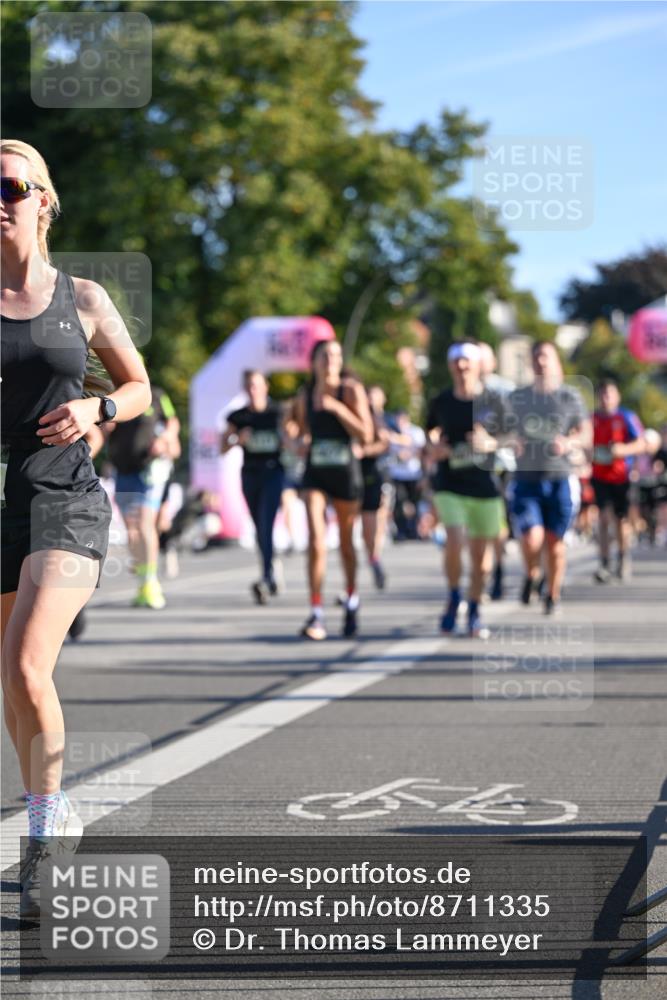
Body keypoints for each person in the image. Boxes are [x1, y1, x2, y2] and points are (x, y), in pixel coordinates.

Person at [0, 140, 151, 918]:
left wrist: (99, 407)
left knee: (28, 662)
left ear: (44, 200)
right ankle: (47, 808)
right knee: (13, 677)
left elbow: (140, 388)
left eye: (10, 185)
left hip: (65, 494)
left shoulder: (83, 296)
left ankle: (44, 831)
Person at [293, 339, 373, 640]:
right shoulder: (306, 395)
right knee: (315, 539)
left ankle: (351, 599)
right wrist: (296, 442)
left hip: (344, 473)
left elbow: (366, 434)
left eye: (336, 355)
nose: (331, 361)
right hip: (315, 473)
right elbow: (298, 432)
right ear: (314, 362)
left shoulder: (350, 390)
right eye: (325, 355)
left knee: (345, 543)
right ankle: (316, 612)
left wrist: (337, 408)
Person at [426, 340, 507, 637]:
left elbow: (514, 438)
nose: (461, 369)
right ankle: (452, 597)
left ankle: (474, 608)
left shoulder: (494, 401)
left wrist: (491, 443)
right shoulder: (442, 400)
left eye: (466, 363)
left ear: (477, 366)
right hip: (450, 484)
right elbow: (430, 431)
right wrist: (434, 446)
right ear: (450, 367)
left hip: (484, 486)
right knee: (455, 540)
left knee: (482, 562)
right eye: (456, 363)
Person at [506, 341, 591, 615]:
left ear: (557, 362)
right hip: (526, 478)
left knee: (555, 544)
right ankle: (532, 574)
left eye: (546, 357)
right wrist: (510, 440)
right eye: (536, 358)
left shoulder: (570, 397)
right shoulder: (518, 398)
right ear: (531, 364)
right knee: (531, 539)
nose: (541, 362)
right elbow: (500, 430)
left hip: (559, 478)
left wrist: (568, 443)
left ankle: (552, 594)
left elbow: (586, 433)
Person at [107, 384, 180, 609]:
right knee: (132, 529)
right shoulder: (112, 396)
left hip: (148, 471)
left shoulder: (156, 395)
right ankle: (143, 578)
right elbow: (104, 428)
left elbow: (173, 422)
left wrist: (165, 438)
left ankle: (150, 581)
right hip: (123, 469)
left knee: (145, 522)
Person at [221, 370, 285, 604]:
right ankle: (271, 565)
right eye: (249, 386)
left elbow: (292, 437)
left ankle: (266, 576)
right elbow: (222, 447)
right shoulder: (238, 416)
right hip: (250, 474)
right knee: (259, 525)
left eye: (257, 385)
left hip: (273, 472)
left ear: (266, 387)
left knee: (266, 522)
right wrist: (238, 440)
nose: (253, 390)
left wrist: (286, 439)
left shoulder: (278, 412)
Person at [590, 379, 645, 582]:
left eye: (610, 394)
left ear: (617, 396)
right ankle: (604, 562)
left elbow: (641, 444)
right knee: (603, 519)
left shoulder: (626, 417)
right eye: (603, 395)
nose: (606, 399)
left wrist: (622, 450)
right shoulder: (591, 418)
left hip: (621, 477)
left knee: (620, 520)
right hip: (599, 476)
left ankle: (623, 556)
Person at [478, 342, 515, 600]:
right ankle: (482, 575)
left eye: (483, 358)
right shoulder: (462, 392)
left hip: (501, 465)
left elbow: (517, 432)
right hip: (470, 466)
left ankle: (498, 573)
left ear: (492, 362)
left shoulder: (506, 390)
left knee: (496, 524)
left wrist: (492, 442)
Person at [360, 385, 391, 590]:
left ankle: (374, 557)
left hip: (376, 473)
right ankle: (370, 559)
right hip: (349, 475)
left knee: (375, 519)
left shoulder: (381, 419)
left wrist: (364, 451)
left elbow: (385, 442)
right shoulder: (353, 411)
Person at [387, 409, 426, 541]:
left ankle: (414, 530)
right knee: (399, 502)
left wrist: (409, 454)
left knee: (415, 503)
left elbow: (421, 451)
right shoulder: (391, 431)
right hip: (397, 474)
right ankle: (401, 531)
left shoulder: (416, 432)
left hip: (414, 473)